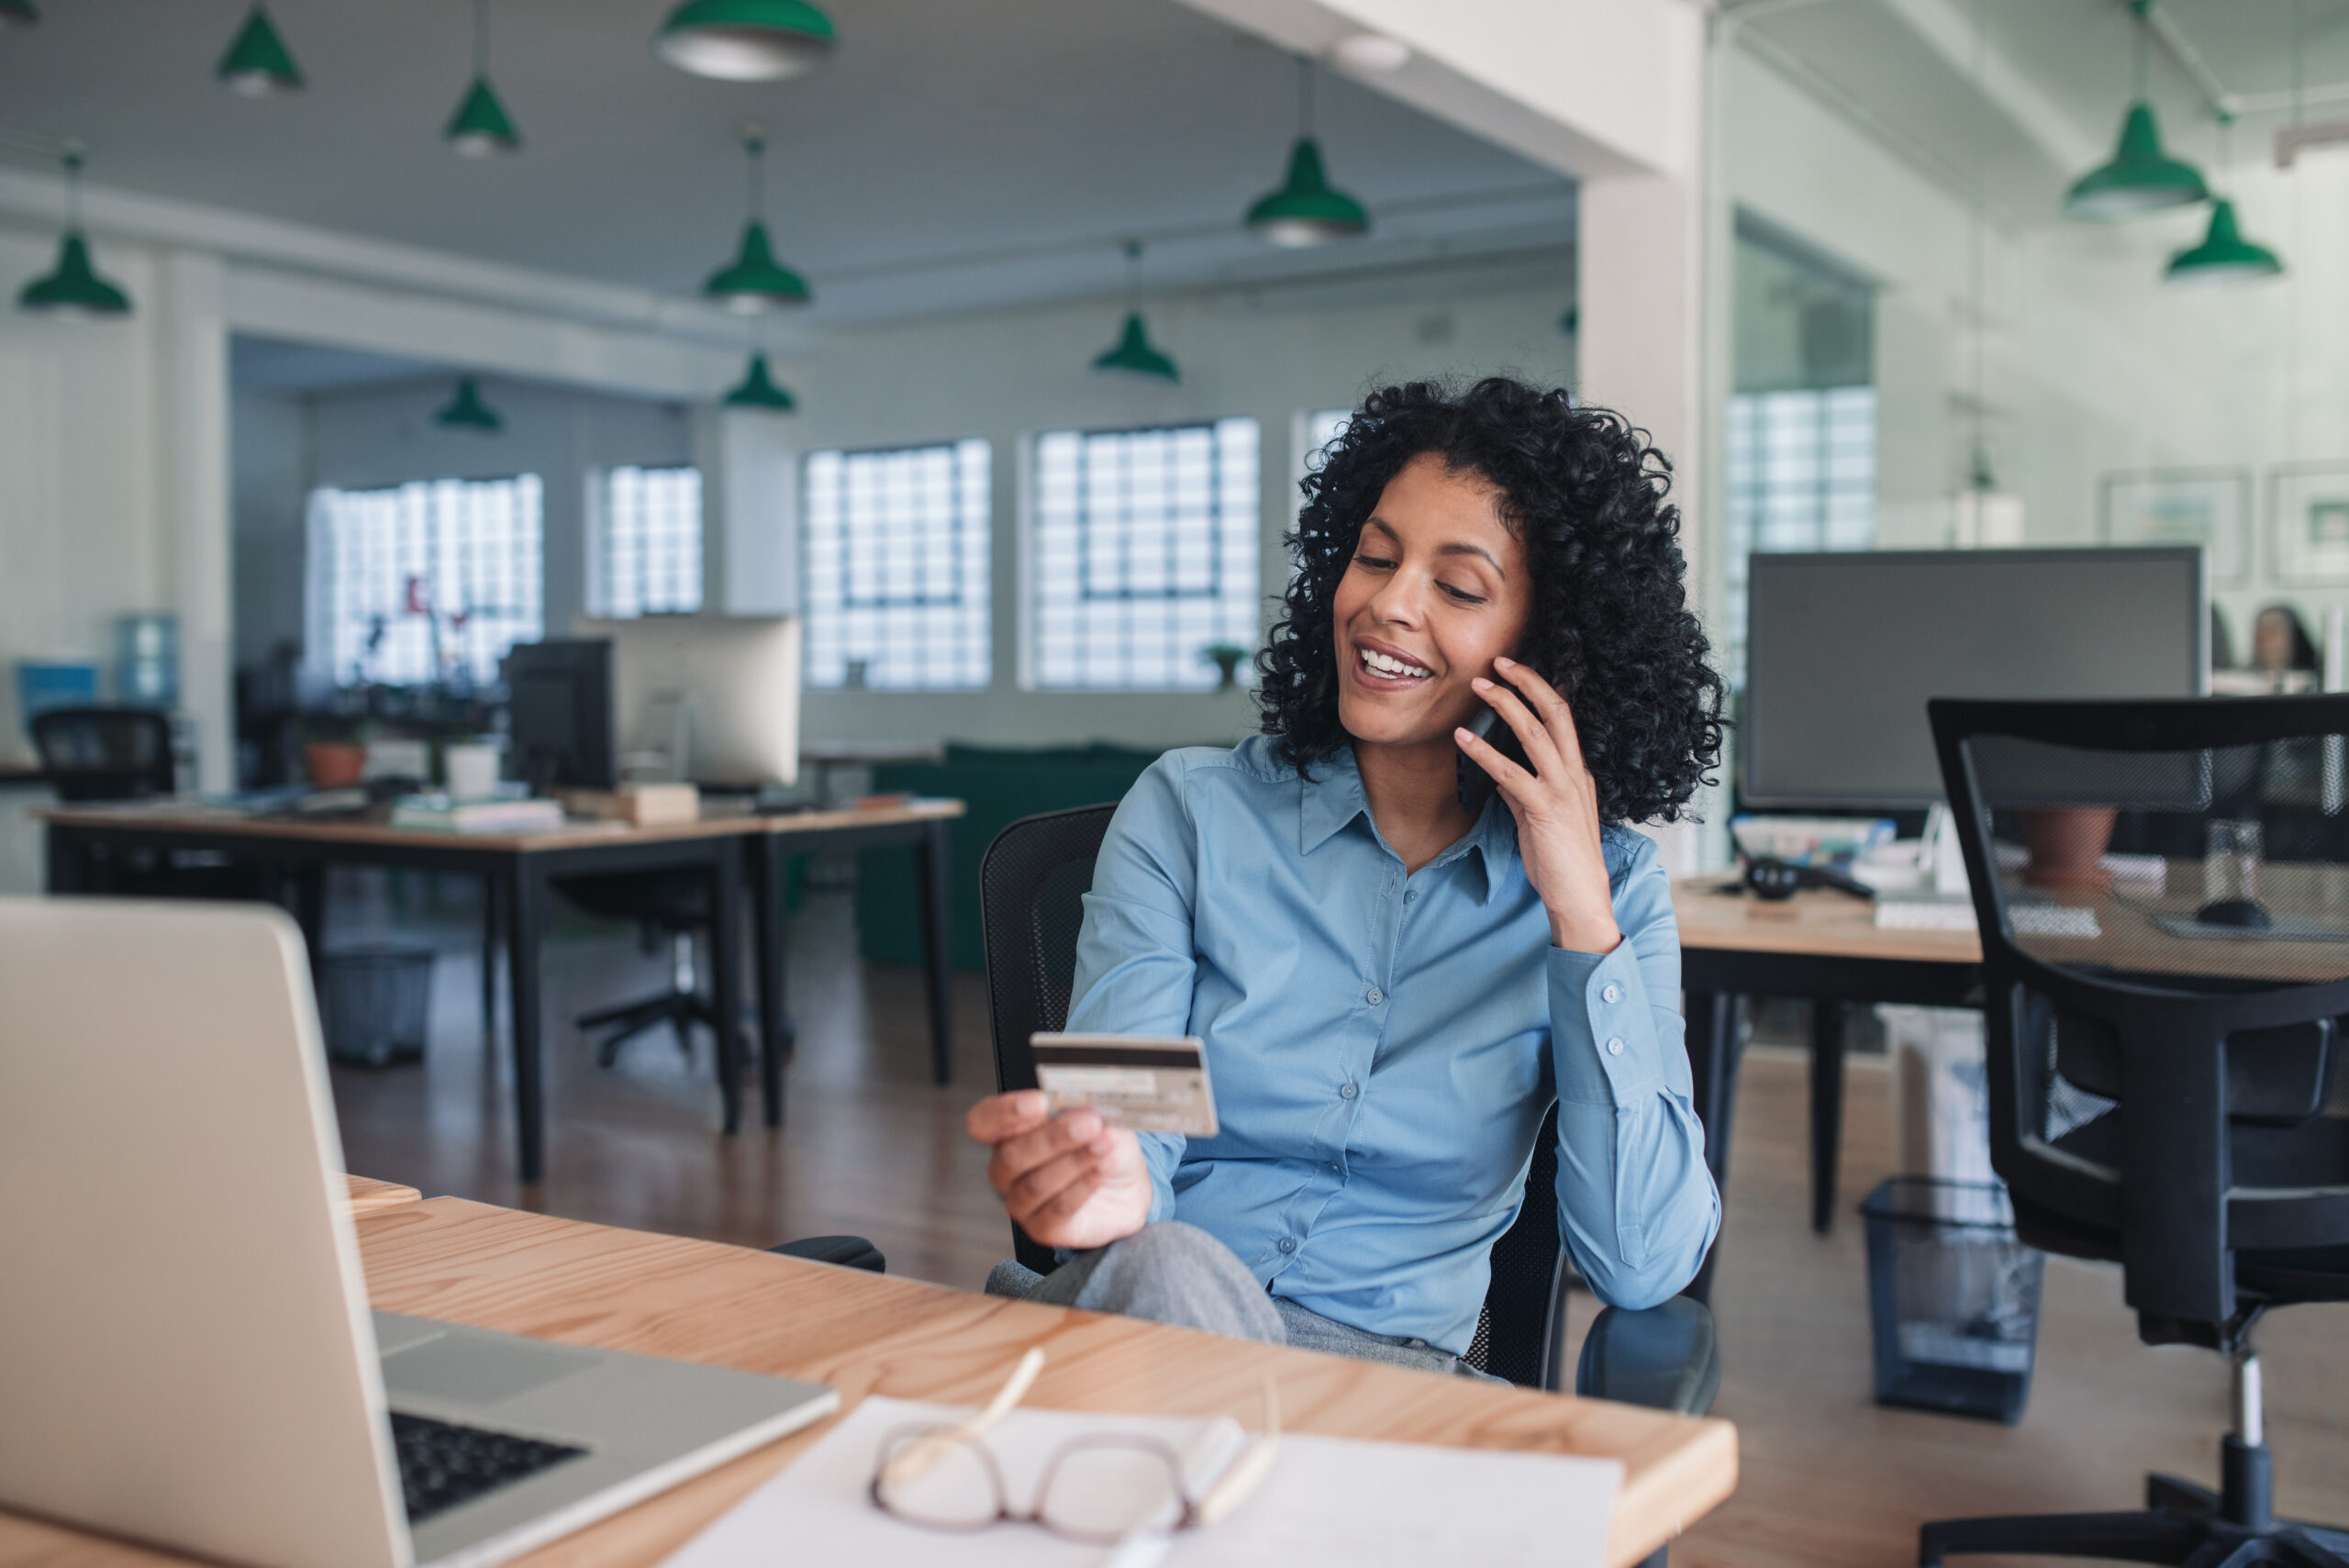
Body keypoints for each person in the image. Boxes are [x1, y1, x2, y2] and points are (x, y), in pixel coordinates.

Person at [965, 378, 1727, 1377]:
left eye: (1456, 588)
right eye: (1374, 557)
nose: (1386, 603)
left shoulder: (1610, 888)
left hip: (1385, 1384)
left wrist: (1580, 915)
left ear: (1548, 651)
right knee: (1172, 1268)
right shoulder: (1191, 812)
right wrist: (1105, 1184)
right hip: (1146, 1321)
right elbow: (1128, 1119)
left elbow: (1640, 1263)